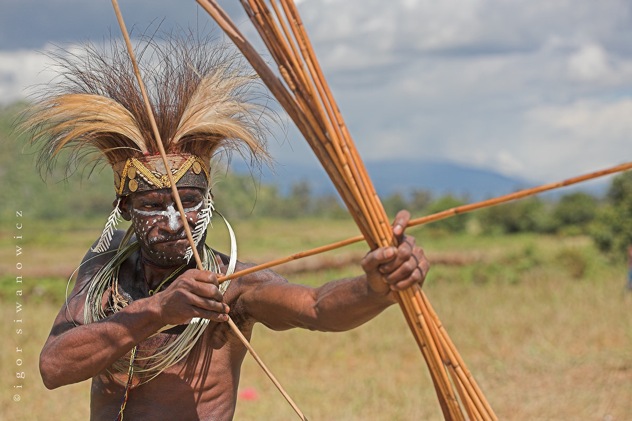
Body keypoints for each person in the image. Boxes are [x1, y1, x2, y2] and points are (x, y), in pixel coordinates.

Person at [24, 34, 429, 420]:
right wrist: (159, 310)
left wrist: (376, 287)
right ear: (125, 208)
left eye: (190, 203)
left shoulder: (232, 288)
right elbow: (54, 367)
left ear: (209, 203)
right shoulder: (105, 272)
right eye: (152, 205)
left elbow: (316, 307)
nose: (174, 221)